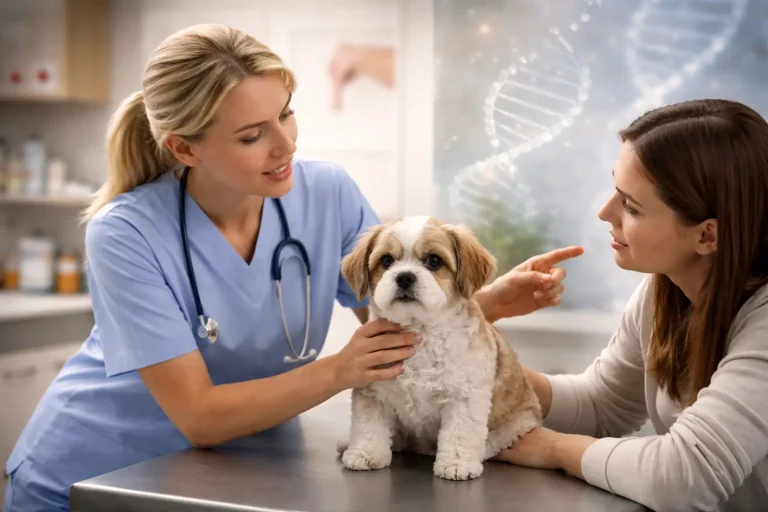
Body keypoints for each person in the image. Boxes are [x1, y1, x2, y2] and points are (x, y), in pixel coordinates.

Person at [1, 24, 580, 511]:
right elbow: (198, 416)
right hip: (95, 476)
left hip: (231, 469)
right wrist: (338, 371)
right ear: (184, 149)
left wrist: (487, 300)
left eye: (287, 115)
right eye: (253, 135)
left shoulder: (326, 193)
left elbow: (394, 327)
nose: (286, 146)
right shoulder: (125, 231)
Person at [495, 98, 768, 512]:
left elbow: (684, 477)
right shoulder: (665, 291)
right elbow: (601, 404)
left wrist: (551, 448)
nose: (606, 212)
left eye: (631, 206)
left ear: (708, 236)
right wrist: (481, 361)